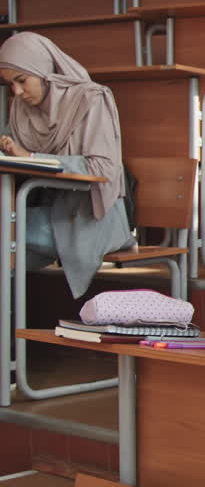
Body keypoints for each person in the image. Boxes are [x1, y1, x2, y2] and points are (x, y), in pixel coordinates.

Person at [0, 32, 134, 299]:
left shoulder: (91, 99)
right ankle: (9, 339)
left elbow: (103, 169)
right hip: (40, 212)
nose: (16, 92)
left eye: (22, 81)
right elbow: (12, 156)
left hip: (88, 219)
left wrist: (31, 159)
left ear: (43, 70)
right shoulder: (20, 108)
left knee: (6, 238)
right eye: (9, 84)